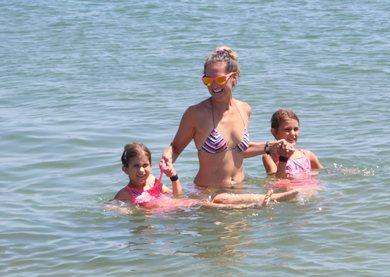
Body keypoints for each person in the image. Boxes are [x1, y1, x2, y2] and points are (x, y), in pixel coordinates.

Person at [162, 46, 285, 188]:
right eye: (208, 80)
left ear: (234, 77)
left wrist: (270, 147)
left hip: (239, 190)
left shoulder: (244, 109)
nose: (214, 85)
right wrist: (166, 159)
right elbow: (176, 148)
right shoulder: (195, 114)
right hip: (208, 195)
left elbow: (237, 151)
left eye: (220, 79)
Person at [114, 142, 298, 210]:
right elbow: (116, 209)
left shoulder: (154, 181)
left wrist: (174, 177)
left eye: (145, 165)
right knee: (216, 201)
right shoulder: (124, 194)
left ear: (151, 166)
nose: (141, 170)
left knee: (221, 198)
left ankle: (271, 198)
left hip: (183, 207)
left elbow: (177, 196)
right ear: (125, 169)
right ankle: (255, 205)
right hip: (175, 216)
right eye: (135, 166)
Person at [262, 109, 323, 179]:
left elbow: (323, 174)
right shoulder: (269, 156)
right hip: (290, 189)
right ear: (274, 132)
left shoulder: (307, 155)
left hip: (309, 189)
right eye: (287, 129)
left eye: (296, 129)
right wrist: (283, 158)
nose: (293, 133)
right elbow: (277, 179)